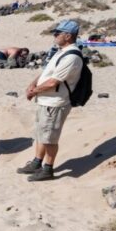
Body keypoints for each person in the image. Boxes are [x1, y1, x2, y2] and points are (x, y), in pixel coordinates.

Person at [17, 20, 84, 182]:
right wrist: (33, 84)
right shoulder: (61, 51)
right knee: (41, 134)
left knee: (50, 138)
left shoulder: (72, 56)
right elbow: (46, 72)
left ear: (68, 36)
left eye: (57, 34)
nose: (54, 36)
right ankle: (37, 162)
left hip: (55, 103)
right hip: (45, 101)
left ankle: (48, 169)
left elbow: (53, 82)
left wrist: (34, 91)